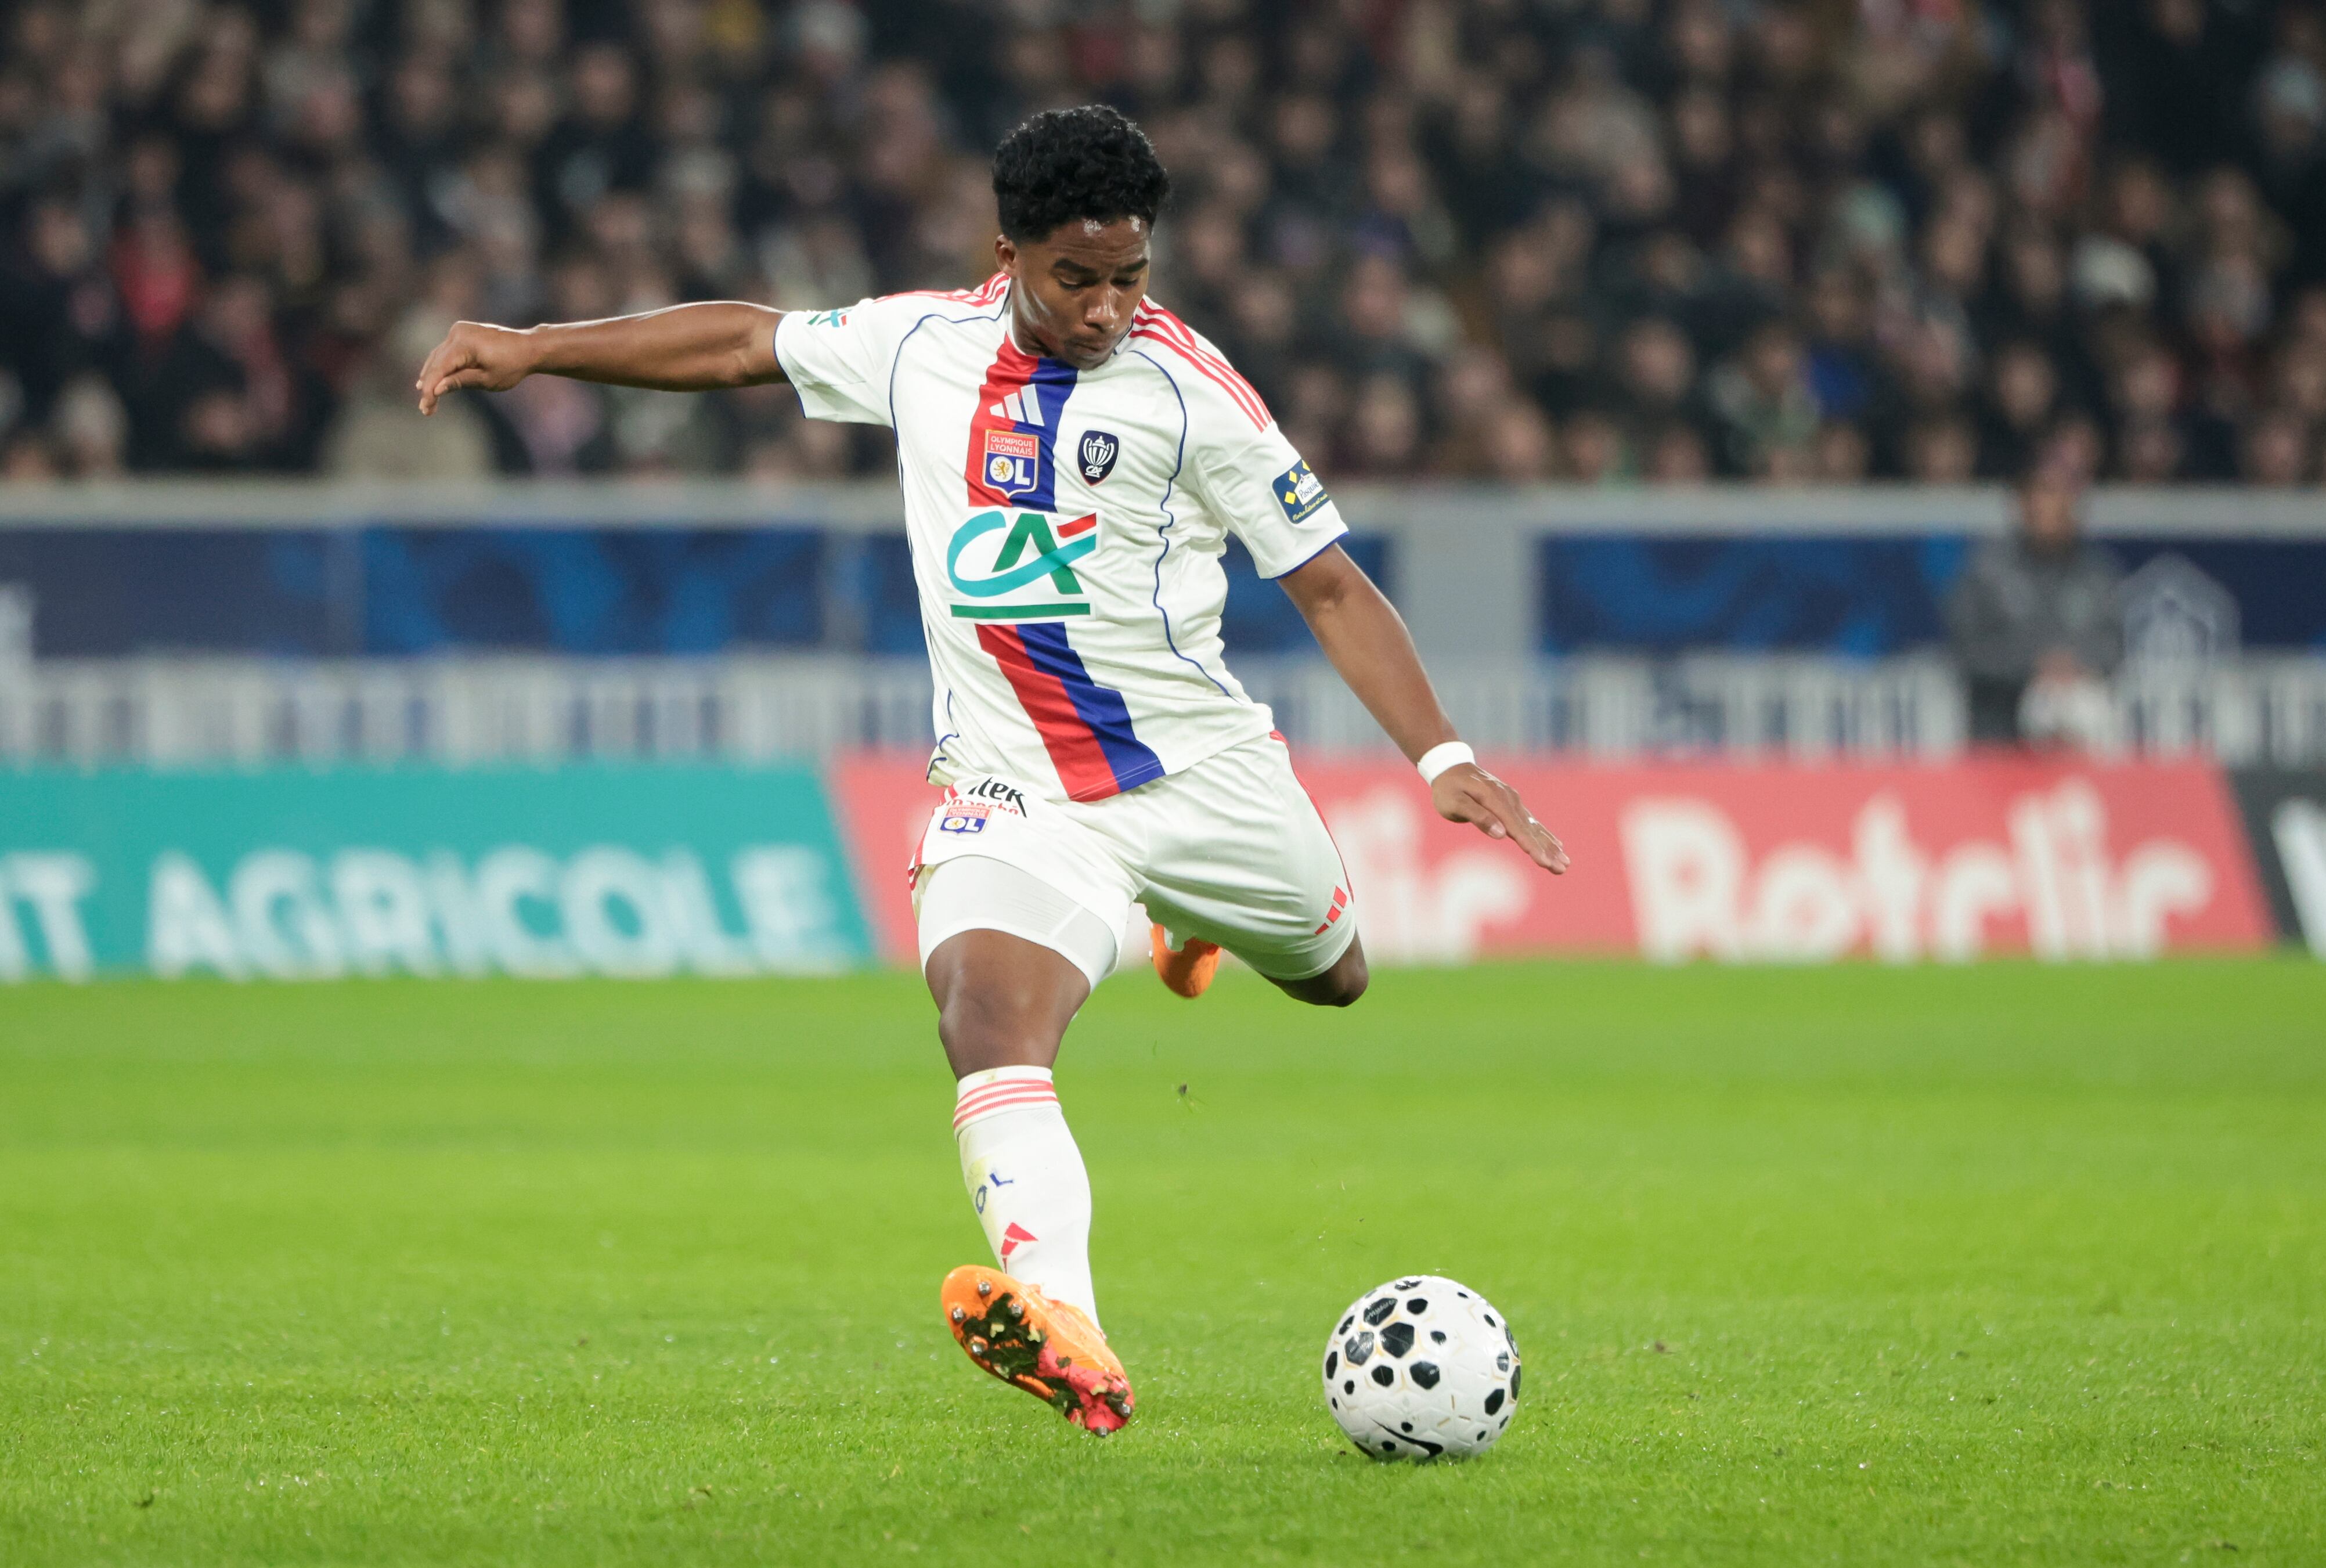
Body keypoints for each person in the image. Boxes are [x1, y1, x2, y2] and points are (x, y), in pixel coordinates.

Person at [413, 106, 1566, 1436]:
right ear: (1005, 251)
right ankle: (1065, 1323)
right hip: (1014, 791)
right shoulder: (920, 344)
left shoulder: (1195, 396)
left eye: (1129, 276)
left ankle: (1189, 920)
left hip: (1197, 776)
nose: (1105, 308)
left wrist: (1443, 753)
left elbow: (1323, 581)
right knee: (982, 1012)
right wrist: (535, 351)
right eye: (1075, 277)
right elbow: (743, 339)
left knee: (1336, 974)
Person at [1942, 468, 2124, 745]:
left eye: (2058, 502)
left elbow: (2113, 645)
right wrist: (2034, 664)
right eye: (2039, 500)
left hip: (2081, 738)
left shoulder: (2097, 573)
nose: (2047, 511)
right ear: (2022, 507)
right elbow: (1967, 651)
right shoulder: (1986, 571)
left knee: (2086, 707)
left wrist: (2075, 664)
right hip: (2000, 735)